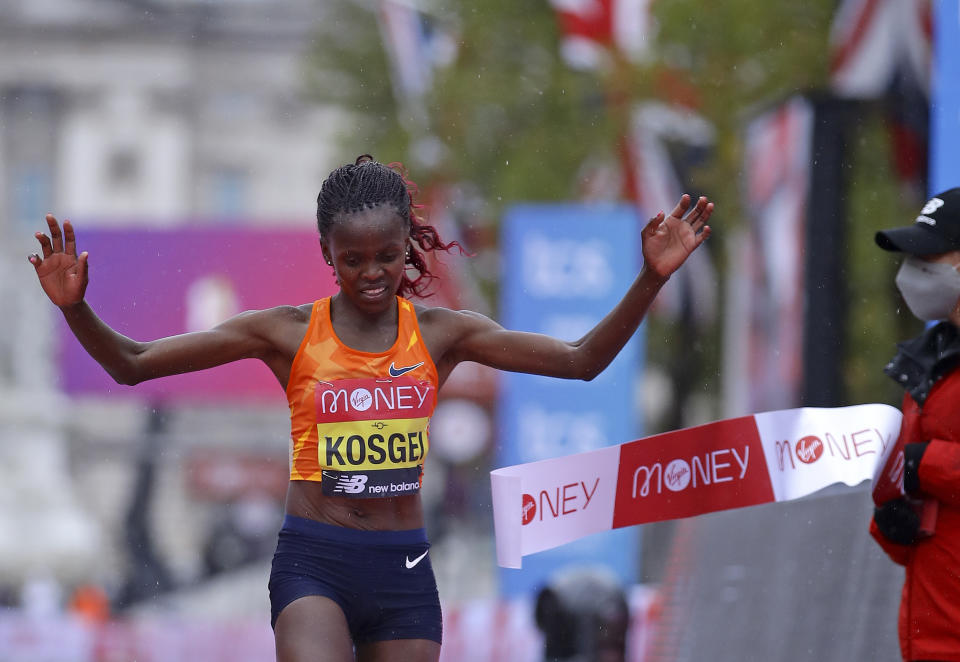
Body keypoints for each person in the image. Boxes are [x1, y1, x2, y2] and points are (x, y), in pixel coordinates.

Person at [29, 155, 713, 662]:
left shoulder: (445, 334)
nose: (373, 274)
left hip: (402, 567)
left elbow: (581, 360)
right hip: (315, 561)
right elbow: (133, 364)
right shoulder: (284, 331)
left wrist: (650, 277)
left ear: (405, 247)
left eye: (387, 256)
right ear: (328, 254)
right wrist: (77, 308)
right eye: (353, 259)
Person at [871, 187, 960, 662]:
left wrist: (920, 464)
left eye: (928, 255)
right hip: (931, 633)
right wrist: (892, 518)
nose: (912, 272)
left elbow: (921, 463)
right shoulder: (930, 362)